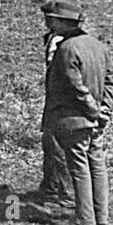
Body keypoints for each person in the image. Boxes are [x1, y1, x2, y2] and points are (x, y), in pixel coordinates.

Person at [40, 0, 113, 225]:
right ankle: (100, 219)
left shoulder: (66, 48)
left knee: (79, 170)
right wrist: (105, 109)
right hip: (96, 120)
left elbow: (73, 86)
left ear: (61, 22)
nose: (47, 23)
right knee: (97, 166)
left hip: (73, 118)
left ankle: (85, 220)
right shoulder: (98, 45)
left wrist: (94, 111)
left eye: (50, 20)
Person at [33, 14, 73, 209]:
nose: (46, 21)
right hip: (54, 99)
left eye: (50, 18)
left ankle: (62, 196)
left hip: (62, 102)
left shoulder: (62, 42)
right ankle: (50, 187)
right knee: (49, 144)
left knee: (58, 147)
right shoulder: (53, 38)